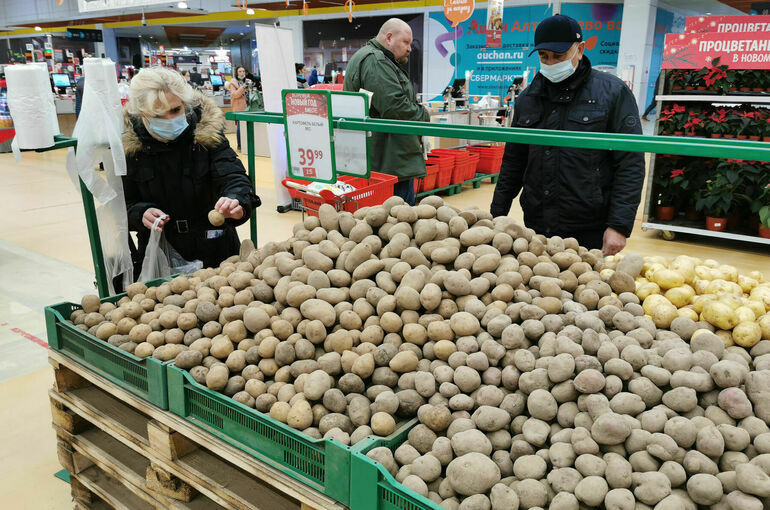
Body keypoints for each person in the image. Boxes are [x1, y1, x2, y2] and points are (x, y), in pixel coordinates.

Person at [490, 14, 644, 255]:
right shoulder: (528, 99)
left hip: (589, 228)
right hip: (537, 224)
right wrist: (495, 215)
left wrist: (619, 225)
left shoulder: (613, 93)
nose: (551, 63)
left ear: (580, 50)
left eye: (559, 56)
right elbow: (514, 161)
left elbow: (630, 163)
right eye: (544, 56)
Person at [121, 67, 259, 272]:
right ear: (142, 114)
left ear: (184, 104)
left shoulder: (207, 135)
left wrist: (237, 200)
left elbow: (235, 177)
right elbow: (120, 206)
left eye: (175, 110)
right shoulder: (129, 149)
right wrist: (140, 213)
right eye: (158, 114)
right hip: (160, 255)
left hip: (216, 249)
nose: (169, 119)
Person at [344, 18, 430, 206]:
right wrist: (424, 114)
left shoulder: (379, 60)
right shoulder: (376, 62)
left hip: (389, 160)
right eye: (405, 42)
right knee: (397, 221)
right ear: (389, 38)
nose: (409, 48)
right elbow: (395, 107)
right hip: (388, 163)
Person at [226, 65, 249, 151]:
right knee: (240, 127)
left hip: (246, 106)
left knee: (245, 126)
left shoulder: (245, 81)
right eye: (240, 71)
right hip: (238, 107)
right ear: (236, 72)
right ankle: (240, 145)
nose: (242, 73)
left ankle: (245, 144)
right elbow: (235, 95)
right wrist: (243, 87)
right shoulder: (233, 82)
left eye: (243, 71)